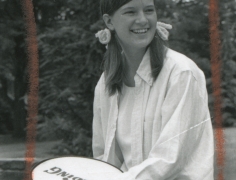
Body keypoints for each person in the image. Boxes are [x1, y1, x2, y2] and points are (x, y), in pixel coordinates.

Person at [92, 0, 214, 179]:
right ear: (109, 22)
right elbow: (103, 157)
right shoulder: (105, 83)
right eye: (131, 12)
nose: (143, 20)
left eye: (149, 10)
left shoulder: (181, 73)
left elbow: (169, 160)